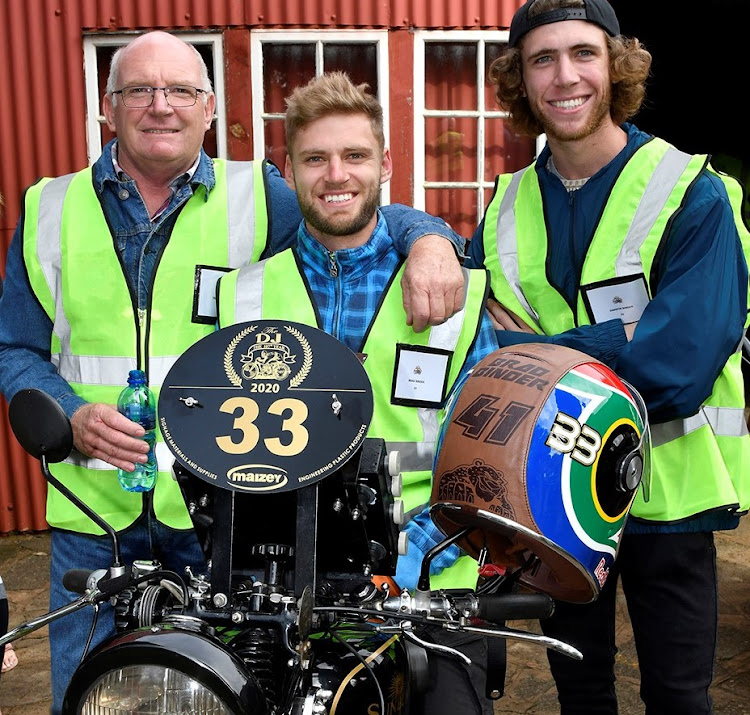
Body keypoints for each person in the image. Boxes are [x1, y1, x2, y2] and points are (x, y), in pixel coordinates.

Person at [0, 31, 467, 714]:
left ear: (209, 108)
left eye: (181, 90)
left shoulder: (259, 198)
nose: (161, 106)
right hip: (93, 517)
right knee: (89, 695)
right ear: (108, 107)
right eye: (139, 90)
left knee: (222, 695)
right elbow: (15, 349)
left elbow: (343, 207)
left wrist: (428, 236)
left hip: (215, 519)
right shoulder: (48, 209)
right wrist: (69, 413)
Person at [464, 0, 750, 712]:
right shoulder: (500, 210)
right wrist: (619, 339)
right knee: (580, 690)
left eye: (583, 54)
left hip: (664, 490)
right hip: (550, 491)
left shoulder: (692, 191)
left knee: (679, 694)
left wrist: (538, 349)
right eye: (542, 59)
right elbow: (478, 355)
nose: (566, 76)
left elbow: (677, 364)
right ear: (520, 81)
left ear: (615, 66)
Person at [217, 71, 500, 715]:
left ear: (385, 166)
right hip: (280, 596)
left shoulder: (451, 294)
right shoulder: (246, 297)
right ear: (288, 172)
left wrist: (403, 560)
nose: (335, 174)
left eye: (354, 156)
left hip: (428, 588)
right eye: (314, 158)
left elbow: (481, 458)